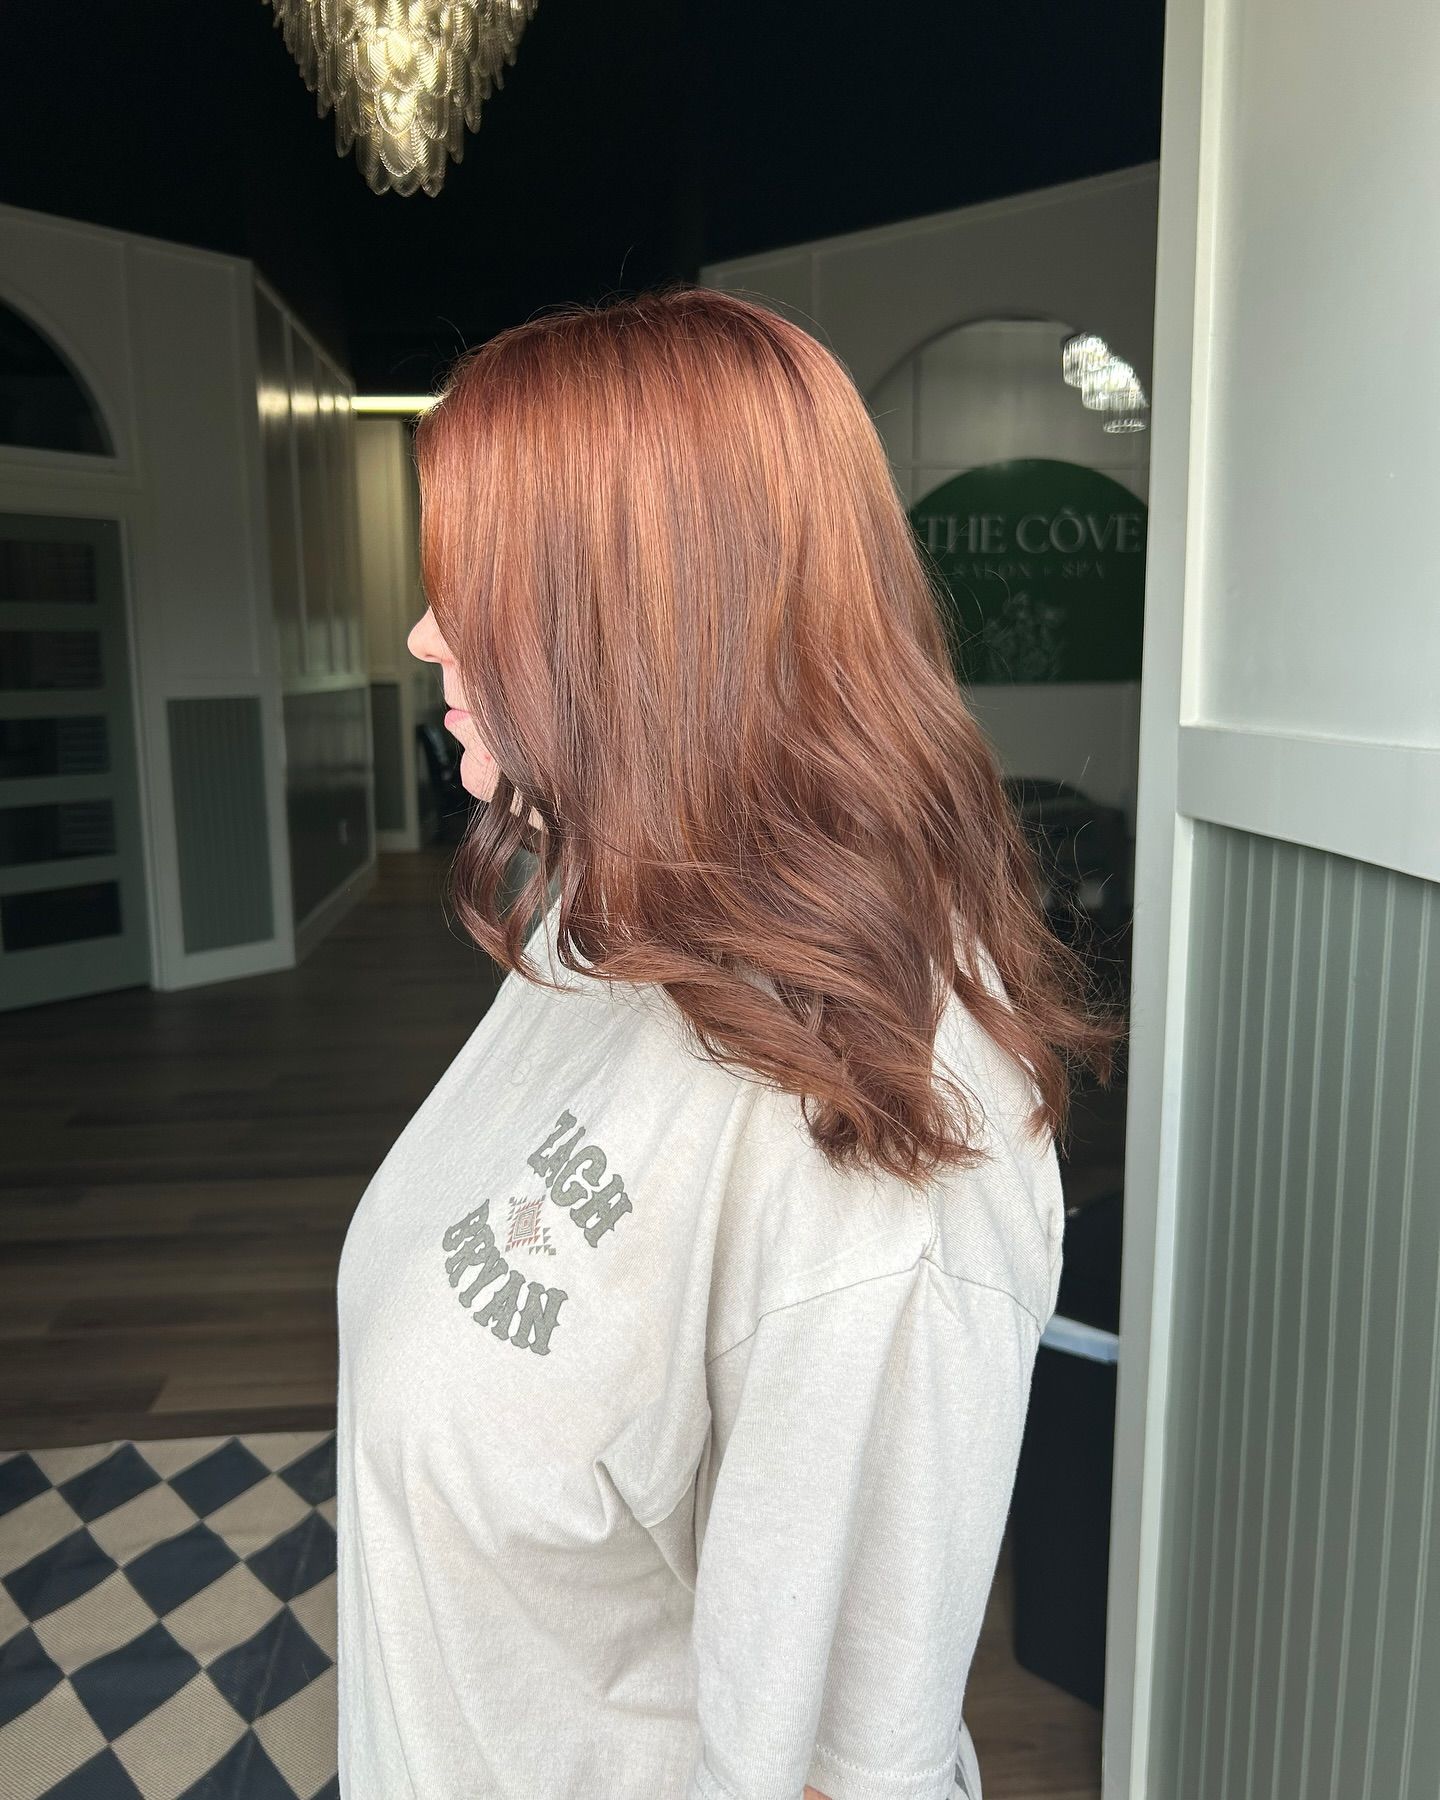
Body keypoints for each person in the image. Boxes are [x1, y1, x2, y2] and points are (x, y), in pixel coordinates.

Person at [335, 286, 1116, 1800]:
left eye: (477, 579)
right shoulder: (603, 919)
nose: (426, 628)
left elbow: (843, 1771)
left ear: (639, 624)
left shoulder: (884, 1149)